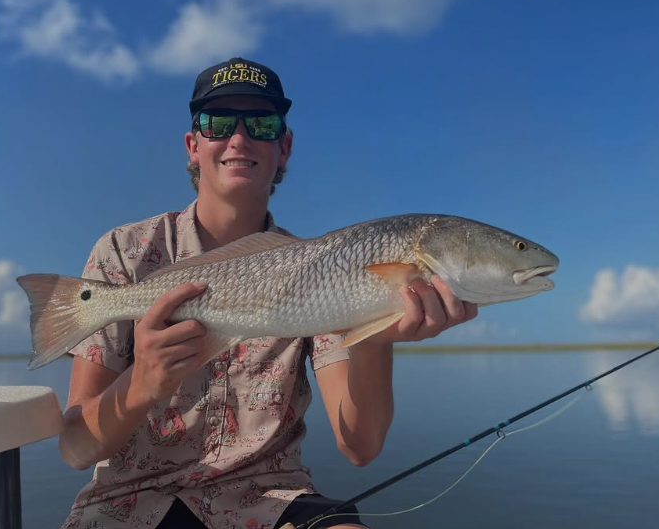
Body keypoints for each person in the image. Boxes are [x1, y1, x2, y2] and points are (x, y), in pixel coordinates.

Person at [56, 57, 478, 529]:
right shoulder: (123, 253)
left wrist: (374, 335)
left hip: (269, 498)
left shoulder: (325, 265)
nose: (239, 138)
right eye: (217, 123)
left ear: (285, 146)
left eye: (261, 123)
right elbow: (74, 448)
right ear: (193, 145)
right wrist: (141, 385)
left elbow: (360, 447)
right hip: (130, 502)